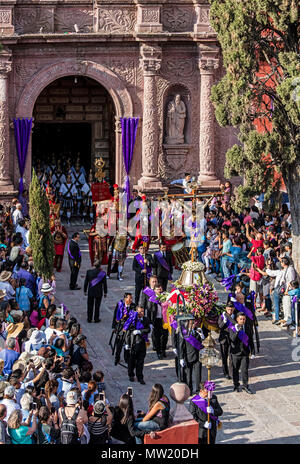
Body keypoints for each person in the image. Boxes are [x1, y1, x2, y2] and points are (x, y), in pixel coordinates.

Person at [124, 306, 150, 385]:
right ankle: (131, 375)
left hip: (142, 344)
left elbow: (148, 329)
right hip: (133, 343)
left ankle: (140, 377)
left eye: (142, 312)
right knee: (131, 361)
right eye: (139, 312)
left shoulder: (146, 320)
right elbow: (128, 332)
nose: (141, 313)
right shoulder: (132, 320)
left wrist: (140, 331)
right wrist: (127, 343)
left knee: (140, 362)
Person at [229, 312, 254, 394]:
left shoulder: (248, 327)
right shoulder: (232, 328)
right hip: (235, 352)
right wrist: (236, 331)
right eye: (241, 319)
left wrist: (252, 351)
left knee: (245, 370)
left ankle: (245, 386)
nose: (242, 321)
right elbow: (232, 339)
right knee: (235, 370)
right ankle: (236, 385)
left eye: (244, 319)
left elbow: (250, 340)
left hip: (245, 352)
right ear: (237, 319)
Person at [178, 319, 204, 394]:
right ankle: (189, 389)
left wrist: (202, 335)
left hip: (197, 356)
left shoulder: (197, 331)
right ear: (188, 324)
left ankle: (198, 390)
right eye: (192, 323)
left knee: (198, 374)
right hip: (188, 356)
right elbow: (181, 346)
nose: (194, 325)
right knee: (188, 375)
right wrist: (181, 358)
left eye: (194, 323)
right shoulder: (184, 333)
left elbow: (202, 343)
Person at [111, 293, 136, 366]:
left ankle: (127, 358)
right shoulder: (120, 305)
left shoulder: (133, 306)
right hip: (121, 328)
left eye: (131, 298)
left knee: (127, 344)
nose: (131, 300)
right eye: (129, 298)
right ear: (125, 299)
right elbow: (115, 315)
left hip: (128, 328)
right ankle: (117, 358)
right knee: (119, 344)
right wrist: (114, 327)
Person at [146, 284, 169, 360]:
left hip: (164, 319)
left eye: (160, 289)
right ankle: (159, 352)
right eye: (157, 289)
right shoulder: (152, 299)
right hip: (156, 320)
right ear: (154, 290)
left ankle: (163, 350)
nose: (159, 291)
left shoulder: (165, 297)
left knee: (165, 336)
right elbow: (149, 311)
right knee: (157, 337)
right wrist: (150, 322)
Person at [218, 302, 236, 379]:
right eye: (228, 309)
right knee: (224, 357)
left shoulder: (236, 316)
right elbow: (220, 326)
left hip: (232, 339)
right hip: (224, 339)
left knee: (231, 357)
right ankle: (225, 372)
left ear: (233, 309)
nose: (230, 311)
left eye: (231, 309)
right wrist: (224, 321)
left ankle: (231, 373)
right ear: (226, 309)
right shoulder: (222, 317)